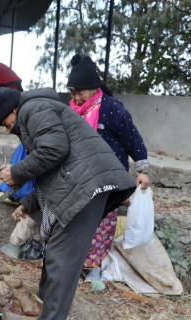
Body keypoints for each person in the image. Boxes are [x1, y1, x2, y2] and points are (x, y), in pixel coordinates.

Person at [0, 86, 135, 320]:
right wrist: (28, 204)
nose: (9, 130)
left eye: (6, 123)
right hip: (81, 186)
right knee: (55, 253)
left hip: (88, 188)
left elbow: (54, 150)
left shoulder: (32, 108)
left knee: (61, 259)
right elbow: (53, 172)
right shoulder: (39, 110)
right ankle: (43, 302)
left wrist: (16, 173)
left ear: (15, 109)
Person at [66, 54, 150, 271]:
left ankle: (93, 267)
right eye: (72, 92)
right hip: (81, 176)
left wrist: (143, 170)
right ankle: (75, 261)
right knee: (79, 220)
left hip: (108, 179)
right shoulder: (73, 111)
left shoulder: (113, 109)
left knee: (102, 224)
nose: (76, 98)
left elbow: (133, 138)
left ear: (94, 88)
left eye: (80, 93)